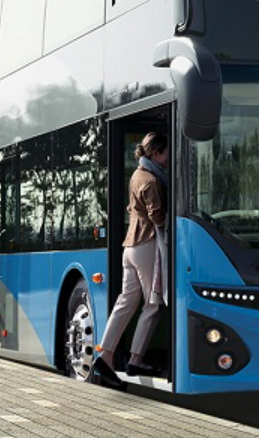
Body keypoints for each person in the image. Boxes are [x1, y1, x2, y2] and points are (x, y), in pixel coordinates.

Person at [94, 132, 169, 384]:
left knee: (125, 302)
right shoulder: (152, 179)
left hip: (130, 247)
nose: (169, 159)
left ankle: (105, 356)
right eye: (166, 153)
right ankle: (136, 360)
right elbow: (156, 215)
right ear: (156, 153)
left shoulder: (137, 174)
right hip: (146, 243)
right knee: (153, 304)